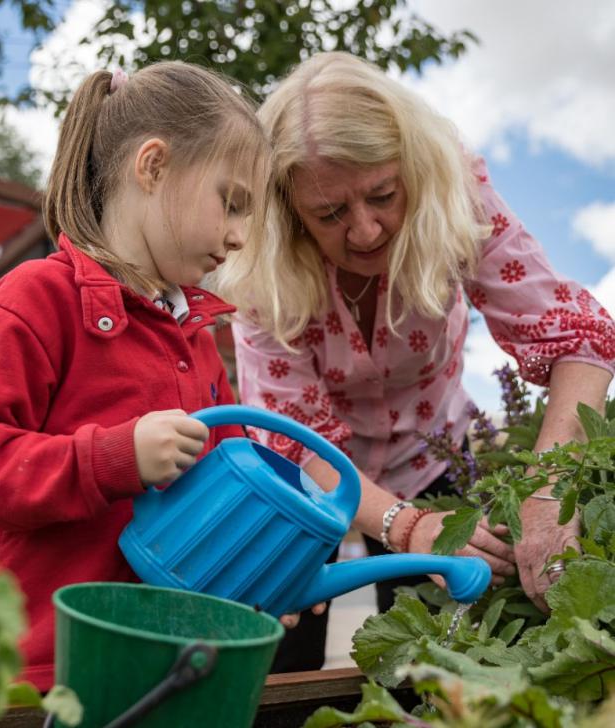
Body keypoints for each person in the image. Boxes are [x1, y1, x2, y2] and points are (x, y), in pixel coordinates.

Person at [213, 51, 615, 671]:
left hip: (437, 462)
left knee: (440, 665)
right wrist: (401, 526)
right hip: (304, 486)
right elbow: (297, 441)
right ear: (290, 214)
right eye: (330, 214)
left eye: (382, 195)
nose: (368, 231)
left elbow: (579, 339)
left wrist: (546, 485)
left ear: (411, 171)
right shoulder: (261, 269)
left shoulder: (457, 192)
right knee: (273, 664)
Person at [0, 61, 273, 691]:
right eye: (233, 202)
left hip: (154, 661)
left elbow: (220, 500)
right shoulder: (36, 298)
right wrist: (111, 459)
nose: (241, 236)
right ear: (154, 165)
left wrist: (268, 568)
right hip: (29, 667)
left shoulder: (198, 340)